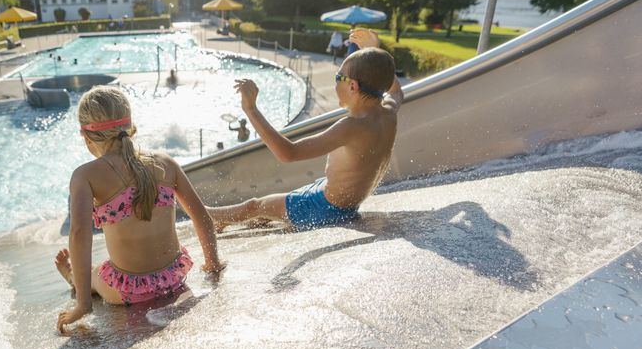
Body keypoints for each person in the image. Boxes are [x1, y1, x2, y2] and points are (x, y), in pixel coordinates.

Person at [55, 86, 224, 333]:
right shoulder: (165, 162)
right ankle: (81, 280)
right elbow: (202, 218)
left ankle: (75, 280)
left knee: (96, 275)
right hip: (173, 278)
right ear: (130, 125)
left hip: (127, 290)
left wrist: (83, 305)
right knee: (105, 270)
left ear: (86, 136)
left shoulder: (85, 175)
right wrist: (213, 264)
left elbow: (80, 234)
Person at [207, 29, 402, 231]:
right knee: (266, 212)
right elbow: (396, 90)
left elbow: (288, 153)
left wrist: (251, 109)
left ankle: (205, 216)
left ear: (352, 86)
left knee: (255, 206)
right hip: (345, 204)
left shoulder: (351, 127)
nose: (335, 82)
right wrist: (374, 53)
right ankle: (227, 221)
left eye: (338, 77)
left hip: (324, 208)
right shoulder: (389, 111)